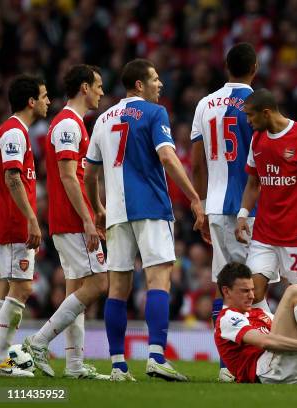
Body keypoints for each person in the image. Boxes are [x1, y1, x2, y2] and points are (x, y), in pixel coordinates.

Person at [85, 59, 205, 382]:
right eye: (155, 78)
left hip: (116, 212)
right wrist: (194, 197)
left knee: (118, 288)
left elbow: (89, 172)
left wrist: (98, 207)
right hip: (150, 206)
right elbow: (167, 156)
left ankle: (117, 365)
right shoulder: (155, 113)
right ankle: (156, 356)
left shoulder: (102, 120)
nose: (160, 84)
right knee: (159, 280)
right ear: (140, 84)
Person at [24, 65, 109, 380]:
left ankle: (73, 366)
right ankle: (39, 341)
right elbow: (67, 176)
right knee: (100, 282)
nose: (101, 91)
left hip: (72, 218)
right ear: (84, 87)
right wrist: (87, 219)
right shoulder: (67, 126)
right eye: (98, 86)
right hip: (72, 220)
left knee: (76, 288)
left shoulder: (73, 125)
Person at [190, 42, 257, 381]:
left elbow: (197, 163)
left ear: (226, 67)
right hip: (250, 208)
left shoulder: (205, 104)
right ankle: (237, 363)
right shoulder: (259, 104)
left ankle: (226, 365)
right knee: (250, 285)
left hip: (215, 205)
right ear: (254, 68)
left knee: (225, 285)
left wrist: (200, 204)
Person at [235, 89, 297, 314]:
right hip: (264, 234)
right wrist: (242, 215)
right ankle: (275, 338)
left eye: (250, 116)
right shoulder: (257, 139)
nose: (248, 121)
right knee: (251, 293)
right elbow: (253, 183)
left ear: (266, 113)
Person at [0, 74, 49, 377]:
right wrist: (31, 218)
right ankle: (3, 358)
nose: (47, 101)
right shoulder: (13, 132)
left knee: (8, 289)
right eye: (43, 96)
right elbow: (12, 177)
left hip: (12, 220)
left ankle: (3, 354)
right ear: (31, 101)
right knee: (22, 287)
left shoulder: (15, 131)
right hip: (16, 222)